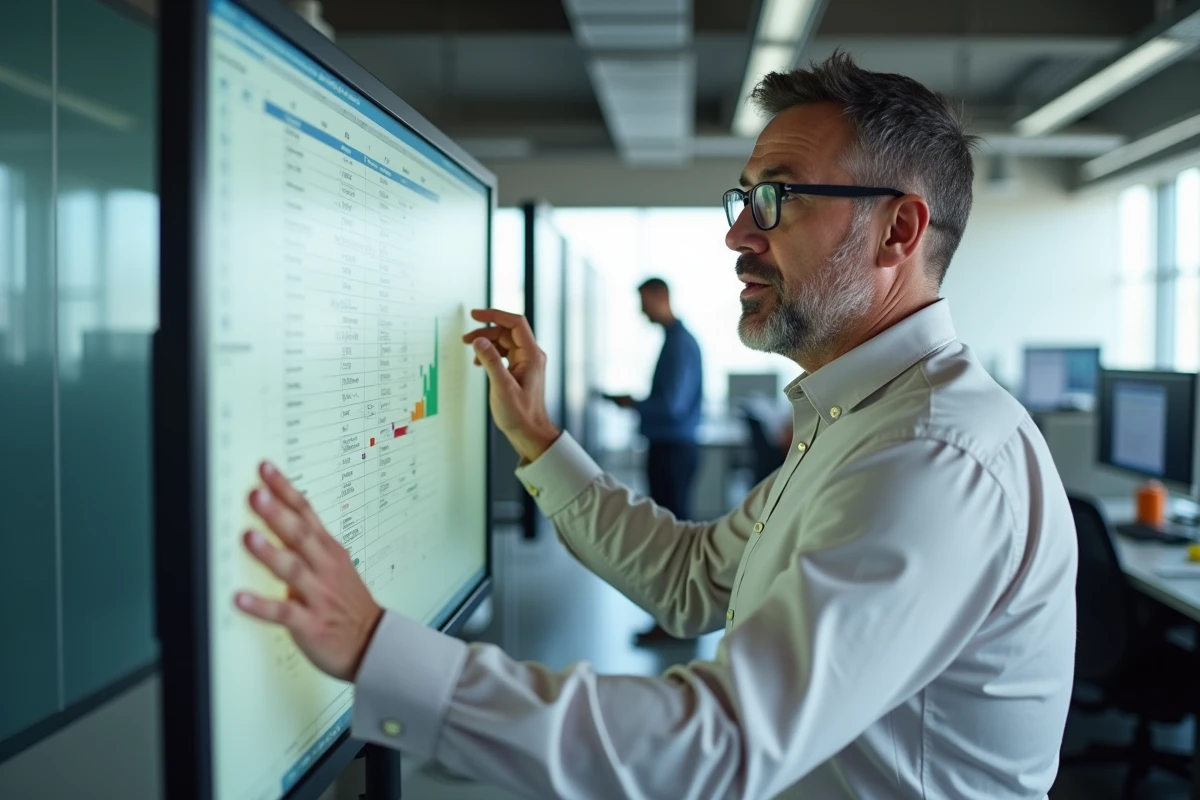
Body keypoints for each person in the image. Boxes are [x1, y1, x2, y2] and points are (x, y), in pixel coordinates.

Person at [234, 53, 1077, 799]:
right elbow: (697, 578)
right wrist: (538, 439)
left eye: (775, 198)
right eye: (743, 197)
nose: (737, 233)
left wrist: (380, 650)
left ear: (899, 229)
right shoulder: (863, 417)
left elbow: (720, 749)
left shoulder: (931, 456)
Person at [603, 277, 704, 645]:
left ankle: (676, 623)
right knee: (672, 536)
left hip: (673, 451)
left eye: (644, 301)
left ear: (661, 297)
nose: (641, 310)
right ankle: (675, 620)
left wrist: (633, 404)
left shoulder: (679, 343)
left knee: (671, 540)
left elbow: (672, 406)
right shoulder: (676, 340)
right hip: (673, 449)